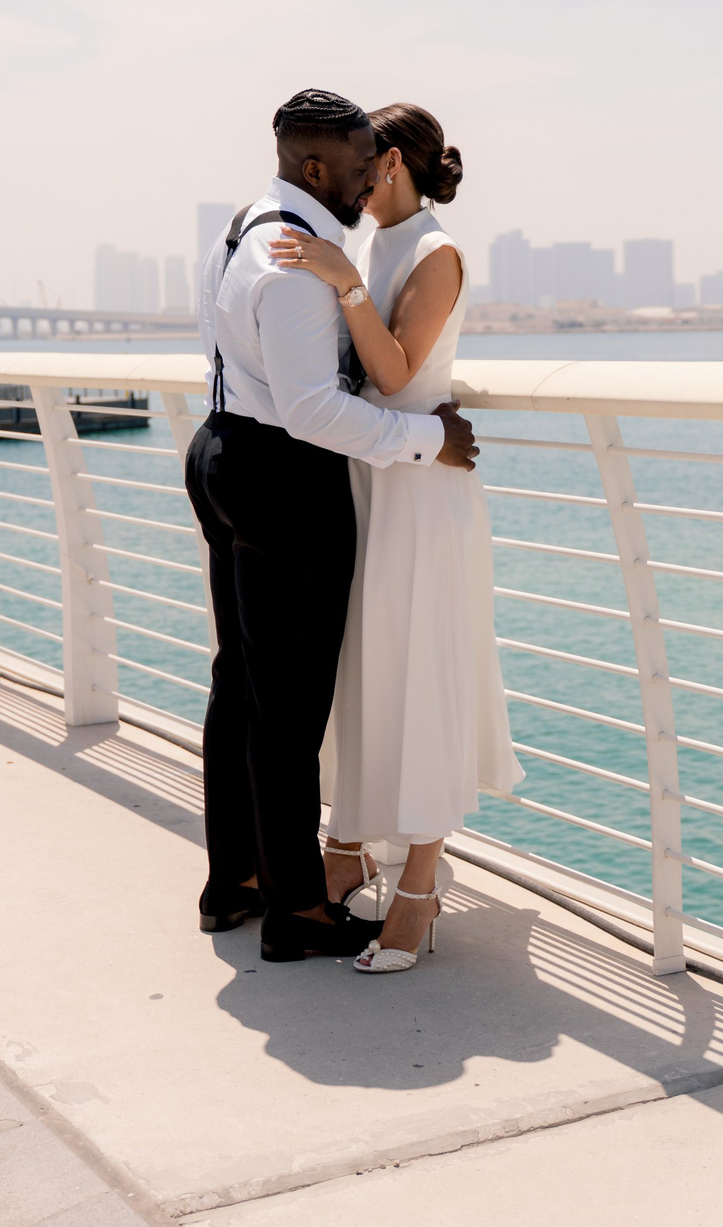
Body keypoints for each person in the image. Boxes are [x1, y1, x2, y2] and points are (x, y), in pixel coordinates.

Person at [188, 89, 481, 963]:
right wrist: (430, 438)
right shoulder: (294, 260)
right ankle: (296, 911)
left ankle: (232, 881)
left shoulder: (244, 222)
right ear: (318, 166)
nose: (367, 180)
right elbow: (316, 410)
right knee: (287, 706)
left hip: (221, 450)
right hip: (283, 478)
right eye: (357, 164)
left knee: (241, 681)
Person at [268, 102, 521, 974]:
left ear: (395, 165)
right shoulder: (373, 242)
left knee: (423, 676)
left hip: (422, 495)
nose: (351, 176)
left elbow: (395, 370)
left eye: (364, 162)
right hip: (371, 480)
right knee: (363, 670)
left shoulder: (434, 252)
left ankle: (418, 883)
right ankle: (346, 851)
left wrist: (341, 281)